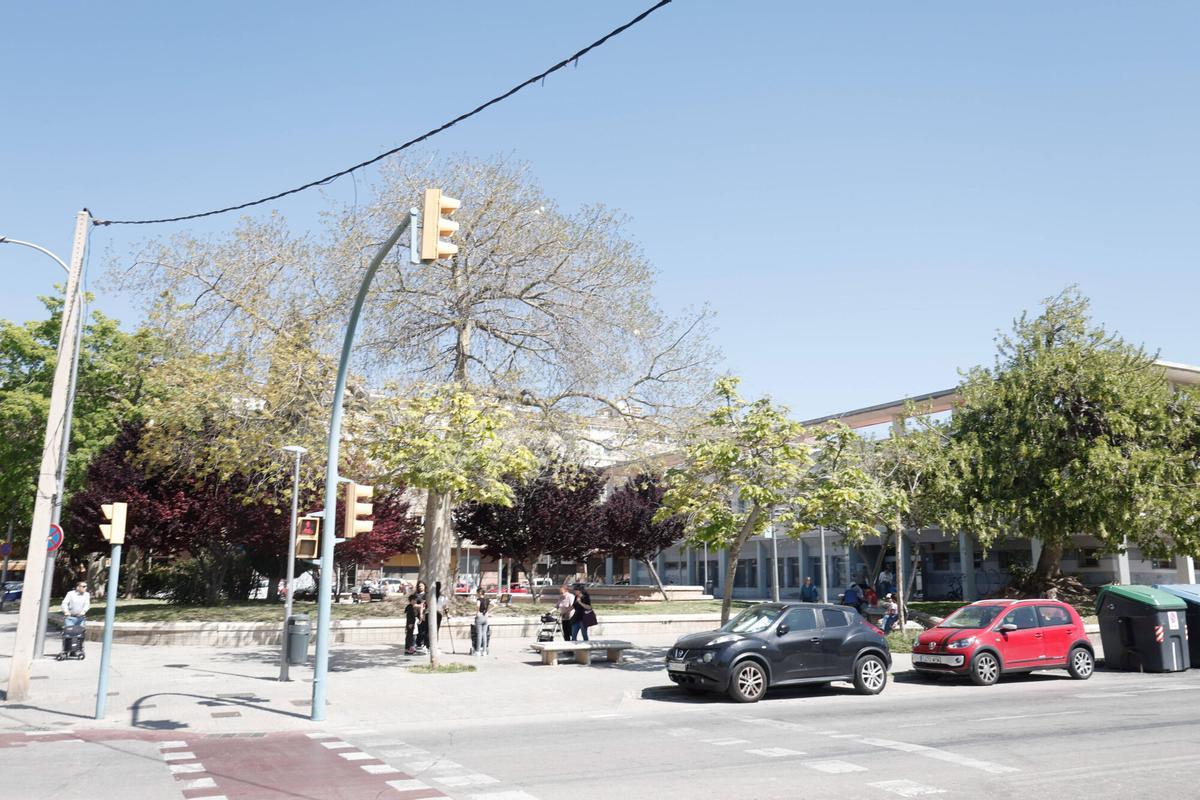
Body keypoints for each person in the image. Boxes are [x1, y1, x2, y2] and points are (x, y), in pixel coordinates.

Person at [471, 587, 492, 655]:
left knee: (479, 634)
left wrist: (477, 613)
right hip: (486, 617)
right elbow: (495, 605)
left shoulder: (479, 599)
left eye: (477, 592)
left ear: (480, 592)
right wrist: (487, 611)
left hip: (479, 617)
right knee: (484, 634)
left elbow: (478, 606)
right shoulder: (487, 599)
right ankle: (485, 651)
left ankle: (478, 651)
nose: (477, 594)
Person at [413, 581, 428, 651]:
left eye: (422, 586)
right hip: (418, 614)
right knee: (419, 629)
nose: (420, 587)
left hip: (426, 614)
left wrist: (423, 607)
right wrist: (421, 606)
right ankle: (418, 643)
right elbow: (414, 604)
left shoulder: (427, 595)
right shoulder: (415, 595)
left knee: (425, 629)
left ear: (425, 586)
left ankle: (424, 643)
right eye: (419, 586)